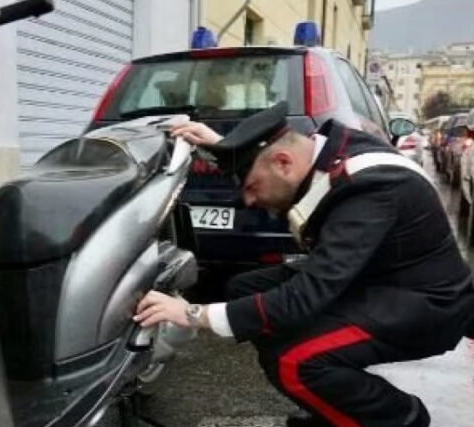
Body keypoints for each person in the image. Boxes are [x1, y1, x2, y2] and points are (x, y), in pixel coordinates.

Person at [134, 102, 474, 427]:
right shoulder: (326, 152)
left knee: (294, 360)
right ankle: (333, 402)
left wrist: (192, 314)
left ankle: (397, 417)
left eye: (251, 186)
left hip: (425, 304)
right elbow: (275, 158)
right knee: (244, 289)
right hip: (374, 278)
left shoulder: (371, 190)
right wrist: (227, 146)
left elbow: (304, 297)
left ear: (283, 163)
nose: (249, 200)